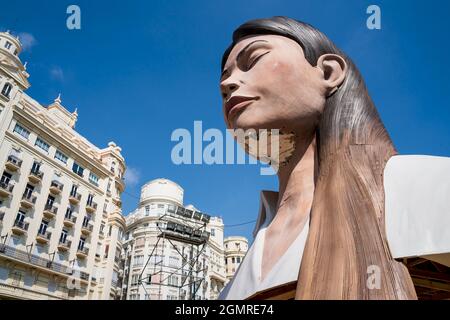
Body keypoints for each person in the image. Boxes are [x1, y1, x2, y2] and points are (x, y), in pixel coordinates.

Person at [218, 16, 450, 300]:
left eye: (254, 59)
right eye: (224, 76)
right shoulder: (251, 253)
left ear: (328, 72)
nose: (227, 83)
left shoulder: (423, 187)